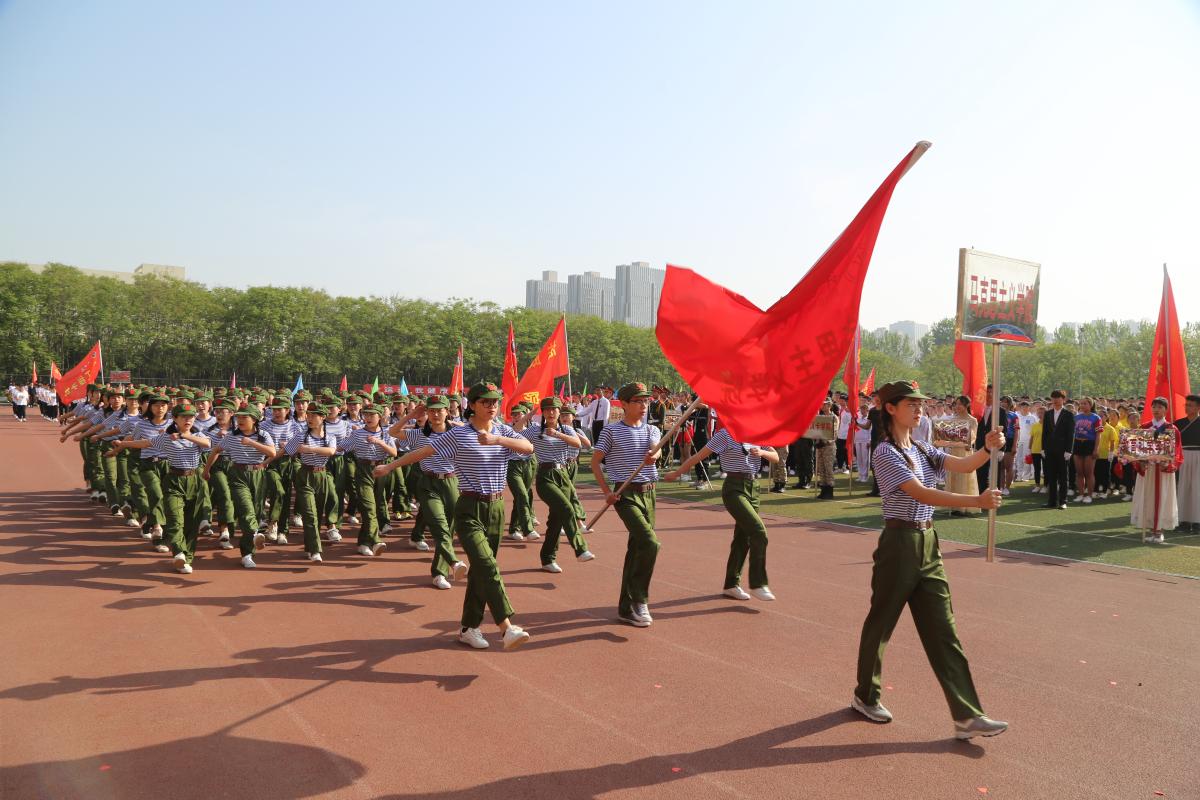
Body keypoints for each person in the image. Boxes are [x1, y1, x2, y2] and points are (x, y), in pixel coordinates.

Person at [851, 381, 1008, 740]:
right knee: (881, 624)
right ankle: (865, 695)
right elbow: (921, 493)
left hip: (928, 543)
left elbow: (963, 464)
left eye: (921, 404)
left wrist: (987, 448)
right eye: (911, 404)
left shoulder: (922, 447)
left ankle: (967, 715)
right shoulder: (885, 452)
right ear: (890, 408)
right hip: (899, 543)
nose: (919, 409)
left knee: (944, 630)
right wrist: (976, 502)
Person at [379, 381, 532, 650]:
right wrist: (390, 467)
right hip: (470, 507)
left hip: (497, 507)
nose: (492, 406)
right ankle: (507, 627)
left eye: (495, 401)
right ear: (471, 405)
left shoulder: (502, 430)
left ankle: (469, 628)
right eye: (485, 401)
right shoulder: (459, 434)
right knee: (488, 566)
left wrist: (497, 440)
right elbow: (424, 452)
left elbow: (528, 447)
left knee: (481, 571)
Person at [664, 415, 779, 601]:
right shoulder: (725, 435)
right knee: (758, 531)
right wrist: (677, 473)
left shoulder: (757, 434)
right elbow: (699, 456)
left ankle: (731, 584)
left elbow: (776, 457)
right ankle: (758, 583)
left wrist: (762, 453)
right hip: (734, 488)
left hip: (753, 487)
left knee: (743, 537)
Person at [591, 382, 662, 628]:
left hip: (649, 493)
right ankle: (639, 599)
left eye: (646, 401)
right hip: (626, 494)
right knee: (650, 542)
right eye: (638, 401)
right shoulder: (611, 431)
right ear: (624, 404)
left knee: (638, 548)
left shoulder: (652, 429)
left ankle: (625, 607)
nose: (643, 405)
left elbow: (655, 450)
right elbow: (595, 462)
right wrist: (606, 492)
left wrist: (654, 455)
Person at [522, 396, 594, 573]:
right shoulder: (535, 430)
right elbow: (516, 435)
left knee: (556, 521)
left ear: (559, 411)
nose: (551, 413)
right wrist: (526, 417)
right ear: (543, 413)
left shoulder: (567, 429)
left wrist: (556, 434)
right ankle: (580, 549)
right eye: (547, 410)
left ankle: (547, 559)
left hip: (563, 475)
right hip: (545, 476)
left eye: (554, 409)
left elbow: (579, 444)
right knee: (567, 509)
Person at [208, 406, 277, 568]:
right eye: (238, 417)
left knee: (256, 511)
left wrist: (252, 443)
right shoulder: (232, 436)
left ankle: (247, 554)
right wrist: (206, 470)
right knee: (246, 508)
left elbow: (272, 453)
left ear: (254, 419)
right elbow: (216, 450)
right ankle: (254, 534)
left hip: (258, 475)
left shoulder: (263, 435)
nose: (240, 420)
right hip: (238, 475)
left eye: (244, 417)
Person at [1129, 397, 1183, 544]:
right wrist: (1140, 462)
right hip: (1148, 470)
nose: (1156, 410)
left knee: (1162, 497)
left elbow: (1177, 451)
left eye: (1160, 407)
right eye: (1154, 407)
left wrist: (1168, 463)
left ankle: (1159, 531)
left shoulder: (1172, 429)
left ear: (1166, 410)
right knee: (1147, 497)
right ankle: (1150, 528)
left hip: (1163, 471)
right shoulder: (1144, 427)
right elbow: (1137, 449)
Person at [944, 396, 979, 516]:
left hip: (965, 452)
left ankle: (964, 506)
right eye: (956, 404)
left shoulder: (972, 420)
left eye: (960, 404)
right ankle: (954, 505)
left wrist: (968, 443)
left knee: (964, 478)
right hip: (953, 451)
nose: (957, 406)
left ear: (966, 405)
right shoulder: (953, 419)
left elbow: (973, 437)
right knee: (954, 477)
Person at [1041, 390, 1075, 510]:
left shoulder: (1068, 414)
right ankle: (1052, 501)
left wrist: (1069, 450)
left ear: (1063, 399)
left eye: (1058, 397)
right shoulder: (1048, 414)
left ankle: (1063, 501)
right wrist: (1043, 448)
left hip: (1063, 450)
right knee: (1051, 476)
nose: (1055, 400)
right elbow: (1044, 433)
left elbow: (1071, 434)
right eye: (1053, 397)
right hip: (1050, 449)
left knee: (1063, 477)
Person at [1174, 395, 1200, 532]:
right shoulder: (1178, 424)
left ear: (1198, 407)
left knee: (1197, 489)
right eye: (1186, 404)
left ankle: (1197, 522)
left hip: (1198, 456)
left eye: (1190, 405)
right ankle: (1182, 521)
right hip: (1182, 457)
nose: (1187, 407)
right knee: (1182, 488)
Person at [1072, 397, 1103, 504]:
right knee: (1079, 472)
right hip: (1077, 444)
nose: (1082, 405)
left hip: (1089, 444)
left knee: (1089, 472)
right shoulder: (1076, 417)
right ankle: (1081, 494)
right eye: (1081, 403)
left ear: (1091, 405)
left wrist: (1096, 449)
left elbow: (1098, 435)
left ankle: (1089, 495)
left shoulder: (1096, 418)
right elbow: (1072, 433)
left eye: (1085, 403)